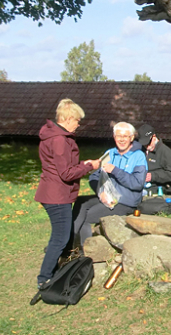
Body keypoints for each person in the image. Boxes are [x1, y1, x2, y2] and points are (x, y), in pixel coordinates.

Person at [33, 99, 100, 290]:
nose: (79, 124)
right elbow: (66, 173)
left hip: (52, 192)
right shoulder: (60, 140)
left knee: (61, 234)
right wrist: (89, 166)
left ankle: (54, 270)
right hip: (56, 195)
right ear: (68, 118)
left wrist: (82, 164)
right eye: (77, 120)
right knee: (60, 237)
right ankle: (45, 277)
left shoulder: (52, 136)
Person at [72, 122, 147, 247]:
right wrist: (100, 192)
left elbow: (137, 184)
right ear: (114, 137)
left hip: (126, 201)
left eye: (125, 136)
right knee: (80, 203)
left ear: (132, 138)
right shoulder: (110, 154)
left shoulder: (139, 156)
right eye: (118, 136)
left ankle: (83, 252)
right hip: (109, 197)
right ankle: (69, 241)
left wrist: (116, 171)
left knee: (87, 217)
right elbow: (94, 177)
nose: (121, 140)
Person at [137, 124, 171, 190]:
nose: (146, 146)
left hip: (157, 189)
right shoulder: (141, 150)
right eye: (144, 144)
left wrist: (152, 176)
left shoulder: (165, 151)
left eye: (148, 143)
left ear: (154, 137)